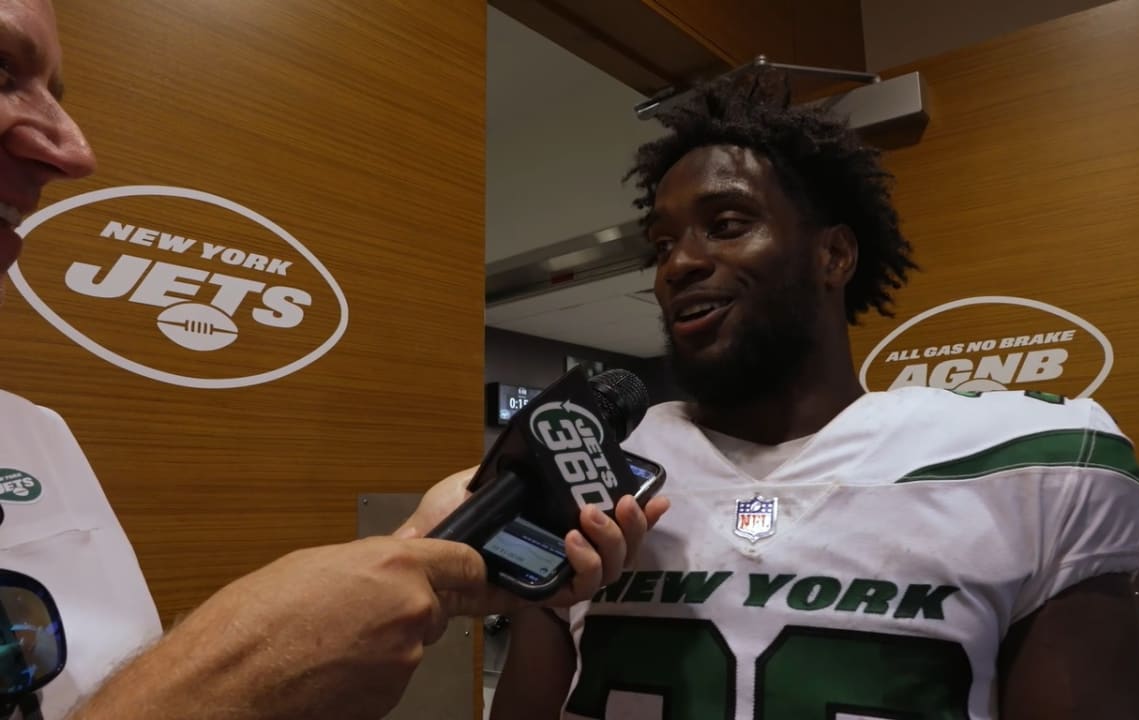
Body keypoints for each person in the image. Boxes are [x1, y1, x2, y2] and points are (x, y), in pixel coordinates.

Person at [0, 2, 668, 719]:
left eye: (58, 95)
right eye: (3, 73)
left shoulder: (37, 433)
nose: (71, 151)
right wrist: (242, 677)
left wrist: (419, 549)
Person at [440, 72, 1139, 718]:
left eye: (727, 225)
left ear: (833, 255)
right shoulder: (597, 464)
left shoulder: (1027, 465)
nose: (680, 264)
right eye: (661, 245)